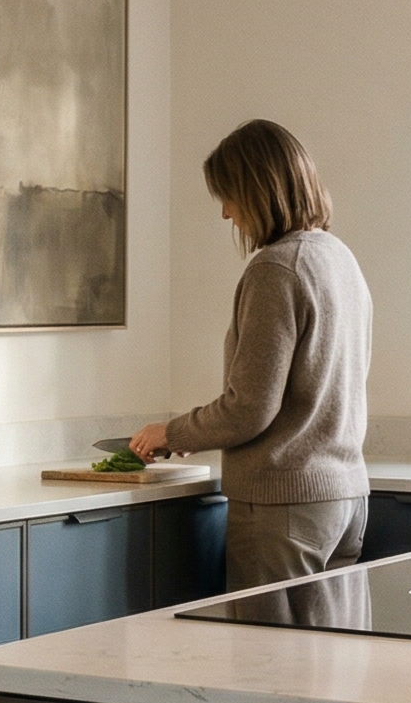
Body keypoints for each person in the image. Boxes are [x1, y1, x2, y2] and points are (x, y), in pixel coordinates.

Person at [131, 119, 371, 591]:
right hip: (345, 499)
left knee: (266, 639)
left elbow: (250, 408)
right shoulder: (339, 258)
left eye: (230, 196)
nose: (226, 213)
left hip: (284, 506)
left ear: (259, 191)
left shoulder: (276, 269)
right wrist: (198, 432)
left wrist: (171, 432)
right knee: (331, 640)